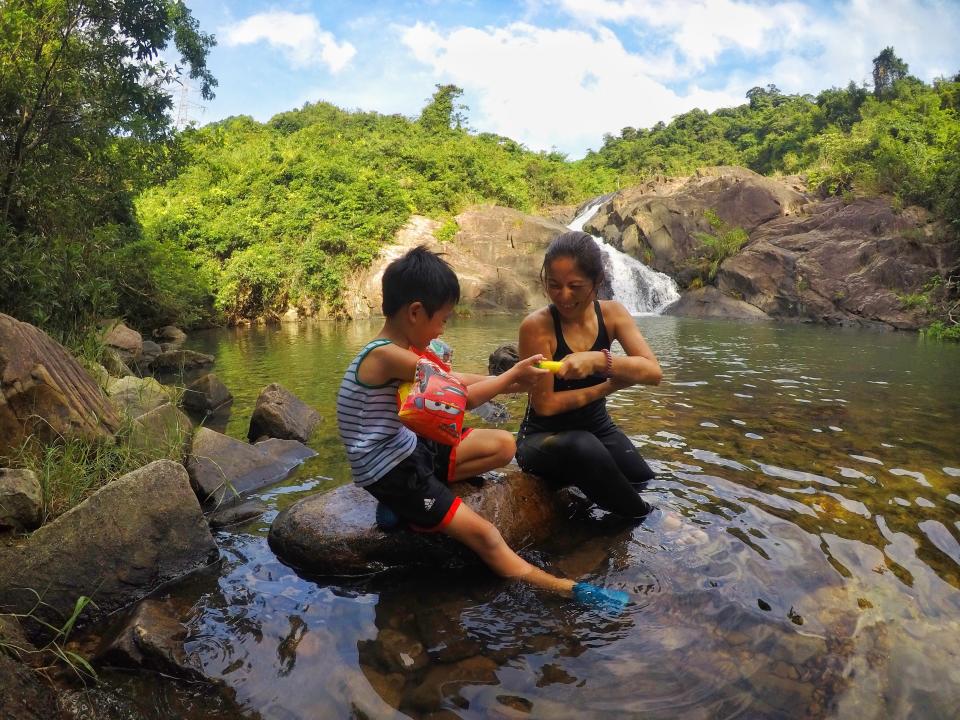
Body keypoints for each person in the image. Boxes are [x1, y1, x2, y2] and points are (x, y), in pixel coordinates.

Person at [336, 245, 627, 609]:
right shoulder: (386, 356)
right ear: (415, 313)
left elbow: (451, 377)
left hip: (408, 449)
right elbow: (458, 397)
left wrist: (517, 381)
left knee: (504, 445)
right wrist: (510, 378)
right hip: (395, 471)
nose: (443, 327)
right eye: (442, 319)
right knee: (487, 536)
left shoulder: (394, 352)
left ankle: (403, 505)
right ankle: (567, 590)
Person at [516, 231, 662, 519]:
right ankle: (647, 518)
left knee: (642, 478)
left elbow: (653, 372)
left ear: (597, 282)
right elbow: (544, 405)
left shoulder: (613, 314)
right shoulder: (537, 327)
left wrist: (598, 361)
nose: (564, 296)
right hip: (544, 439)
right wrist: (607, 387)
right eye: (554, 285)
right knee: (583, 445)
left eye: (575, 286)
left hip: (598, 428)